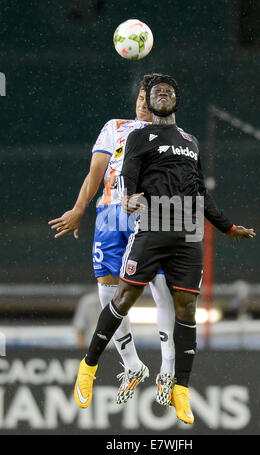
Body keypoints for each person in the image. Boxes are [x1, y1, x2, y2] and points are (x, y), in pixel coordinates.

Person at [73, 74, 256, 424]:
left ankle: (177, 384)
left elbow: (200, 191)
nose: (159, 96)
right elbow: (127, 171)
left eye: (166, 91)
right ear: (147, 101)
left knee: (186, 305)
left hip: (187, 226)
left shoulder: (191, 140)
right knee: (122, 296)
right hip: (152, 221)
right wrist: (126, 197)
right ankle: (90, 364)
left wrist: (228, 227)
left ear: (175, 100)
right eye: (153, 92)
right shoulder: (137, 134)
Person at [48, 74, 176, 406]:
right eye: (139, 100)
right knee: (108, 289)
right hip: (109, 213)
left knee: (160, 286)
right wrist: (79, 208)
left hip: (151, 215)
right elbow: (96, 172)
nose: (143, 104)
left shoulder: (176, 137)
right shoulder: (115, 127)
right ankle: (132, 364)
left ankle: (170, 369)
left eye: (148, 99)